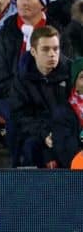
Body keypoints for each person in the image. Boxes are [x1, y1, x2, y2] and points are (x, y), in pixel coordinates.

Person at [0, 0, 48, 164]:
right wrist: (23, 94)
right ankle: (18, 167)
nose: (23, 2)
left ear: (42, 3)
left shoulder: (56, 32)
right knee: (17, 117)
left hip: (48, 96)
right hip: (12, 97)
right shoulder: (5, 35)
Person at [9, 26, 79, 168]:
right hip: (38, 132)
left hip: (67, 131)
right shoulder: (22, 79)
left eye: (56, 48)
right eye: (46, 49)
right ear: (33, 52)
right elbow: (21, 115)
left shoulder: (72, 73)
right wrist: (44, 134)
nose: (52, 54)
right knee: (29, 146)